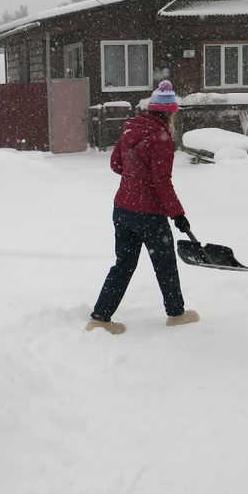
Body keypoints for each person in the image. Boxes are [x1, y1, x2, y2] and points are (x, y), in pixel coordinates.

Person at [86, 80, 200, 334]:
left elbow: (116, 165)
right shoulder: (160, 138)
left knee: (123, 264)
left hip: (123, 210)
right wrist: (178, 214)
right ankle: (176, 313)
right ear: (169, 113)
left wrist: (134, 176)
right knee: (165, 264)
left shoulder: (131, 128)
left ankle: (100, 317)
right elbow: (162, 181)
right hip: (148, 214)